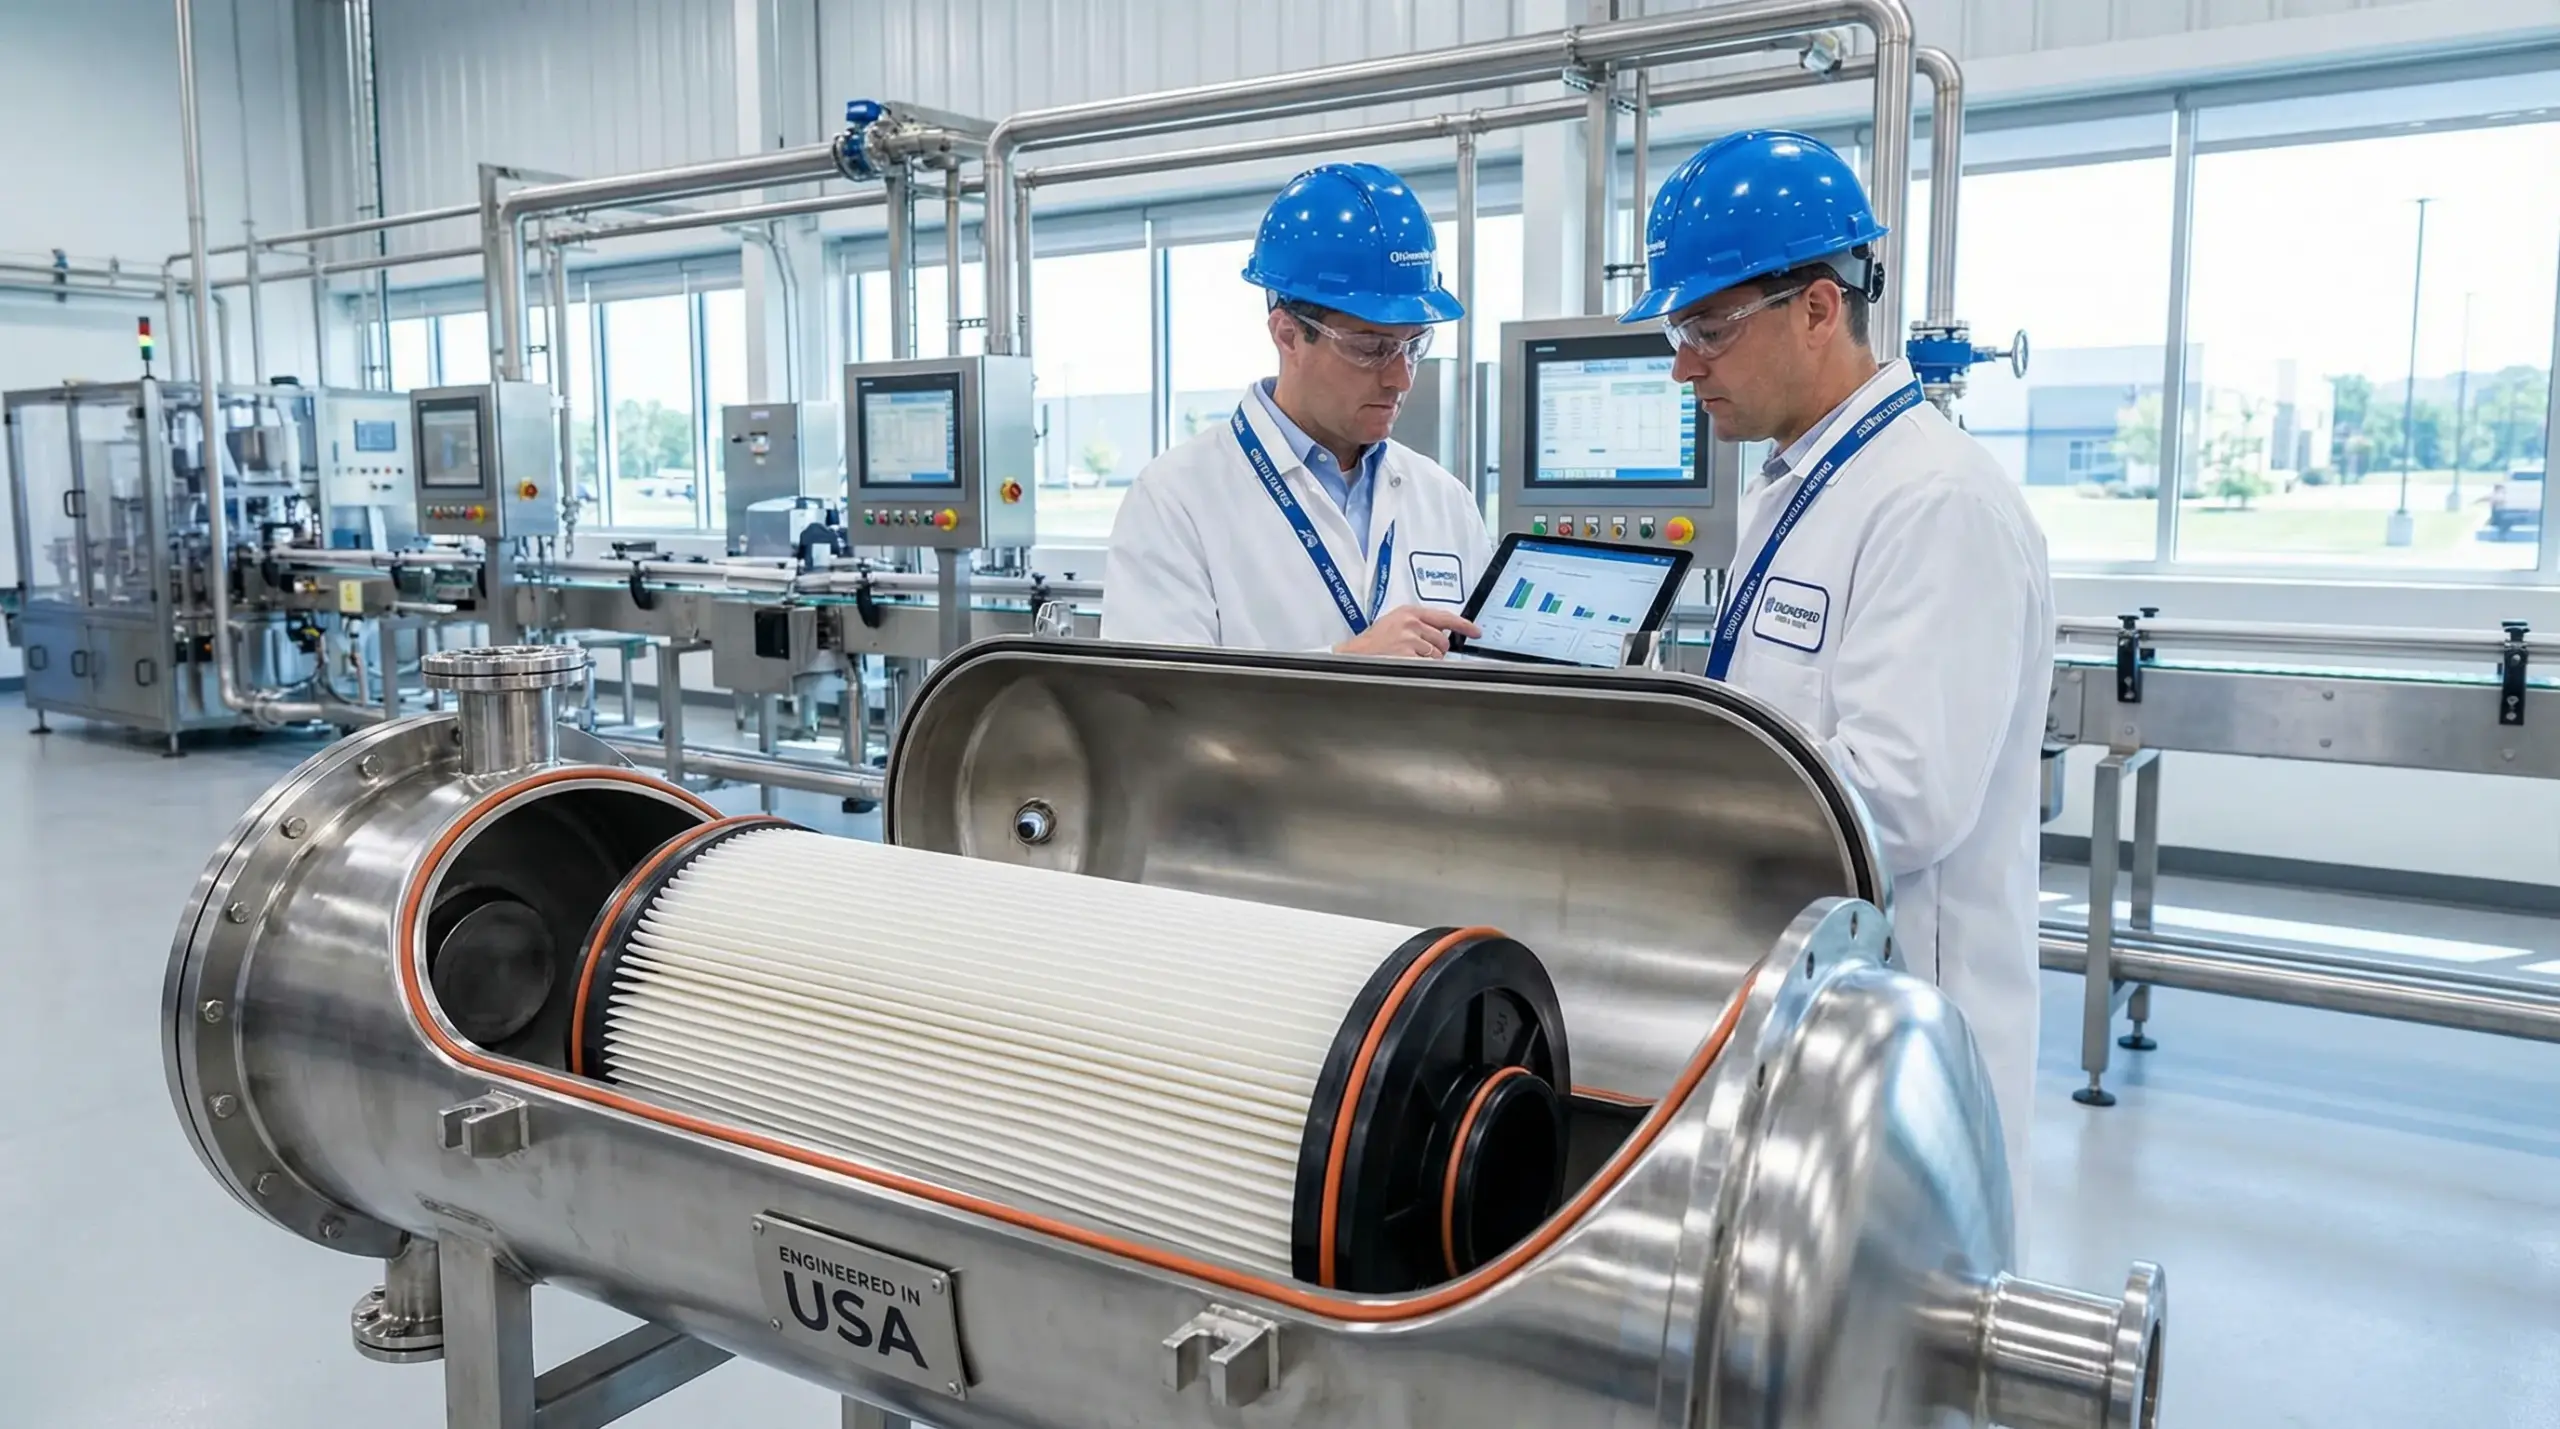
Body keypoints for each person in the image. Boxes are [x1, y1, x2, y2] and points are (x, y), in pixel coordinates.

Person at [1622, 130, 2056, 1210]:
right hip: (1810, 1004)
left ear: (1818, 308)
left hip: (1908, 1044)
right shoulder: (1799, 482)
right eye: (1679, 331)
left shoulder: (1934, 502)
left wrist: (1668, 802)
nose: (1683, 365)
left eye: (1707, 328)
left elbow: (1900, 799)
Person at [1104, 162, 1493, 657]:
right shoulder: (1175, 500)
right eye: (1371, 349)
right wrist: (1346, 666)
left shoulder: (1445, 500)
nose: (1401, 378)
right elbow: (1152, 697)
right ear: (1287, 334)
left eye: (1414, 345)